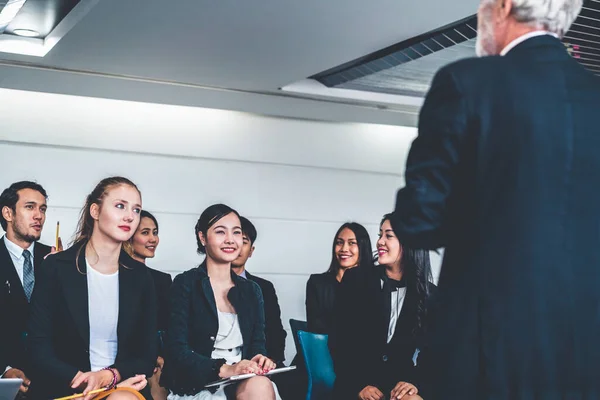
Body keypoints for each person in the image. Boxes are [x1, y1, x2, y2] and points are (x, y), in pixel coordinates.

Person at [391, 0, 600, 397]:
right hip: (584, 348)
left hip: (487, 343)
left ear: (503, 6)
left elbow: (419, 221)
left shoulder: (467, 82)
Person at [27, 177, 157, 400]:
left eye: (136, 210)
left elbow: (147, 352)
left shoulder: (141, 276)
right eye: (120, 206)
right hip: (66, 386)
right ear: (95, 211)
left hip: (120, 385)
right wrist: (82, 379)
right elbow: (38, 345)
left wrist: (110, 376)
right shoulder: (56, 267)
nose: (130, 216)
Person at [163, 204, 279, 400]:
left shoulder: (252, 290)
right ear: (202, 237)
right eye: (220, 232)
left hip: (243, 381)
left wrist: (259, 359)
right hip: (199, 384)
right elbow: (177, 351)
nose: (230, 240)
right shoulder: (186, 284)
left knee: (260, 386)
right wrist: (226, 369)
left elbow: (257, 345)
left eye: (236, 233)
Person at [332, 214, 434, 400]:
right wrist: (359, 385)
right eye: (380, 235)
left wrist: (415, 382)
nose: (380, 241)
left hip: (400, 382)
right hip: (357, 382)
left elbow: (433, 352)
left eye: (389, 235)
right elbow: (340, 340)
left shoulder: (428, 294)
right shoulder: (355, 279)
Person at [0, 181, 58, 397]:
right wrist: (4, 370)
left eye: (42, 209)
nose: (39, 216)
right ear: (8, 213)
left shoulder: (57, 260)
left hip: (53, 382)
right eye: (30, 207)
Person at [126, 210, 172, 400]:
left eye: (155, 232)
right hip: (126, 361)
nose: (153, 239)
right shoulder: (116, 277)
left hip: (158, 362)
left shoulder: (162, 280)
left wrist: (160, 357)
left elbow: (167, 327)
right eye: (145, 233)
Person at [230, 216, 286, 366]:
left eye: (244, 241)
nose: (237, 246)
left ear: (251, 251)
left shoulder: (263, 288)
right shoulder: (199, 283)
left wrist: (269, 361)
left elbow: (276, 332)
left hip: (259, 363)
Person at [305, 222, 373, 335]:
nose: (344, 248)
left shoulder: (374, 284)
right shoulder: (317, 283)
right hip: (326, 350)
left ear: (363, 247)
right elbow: (316, 327)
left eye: (352, 243)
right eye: (339, 242)